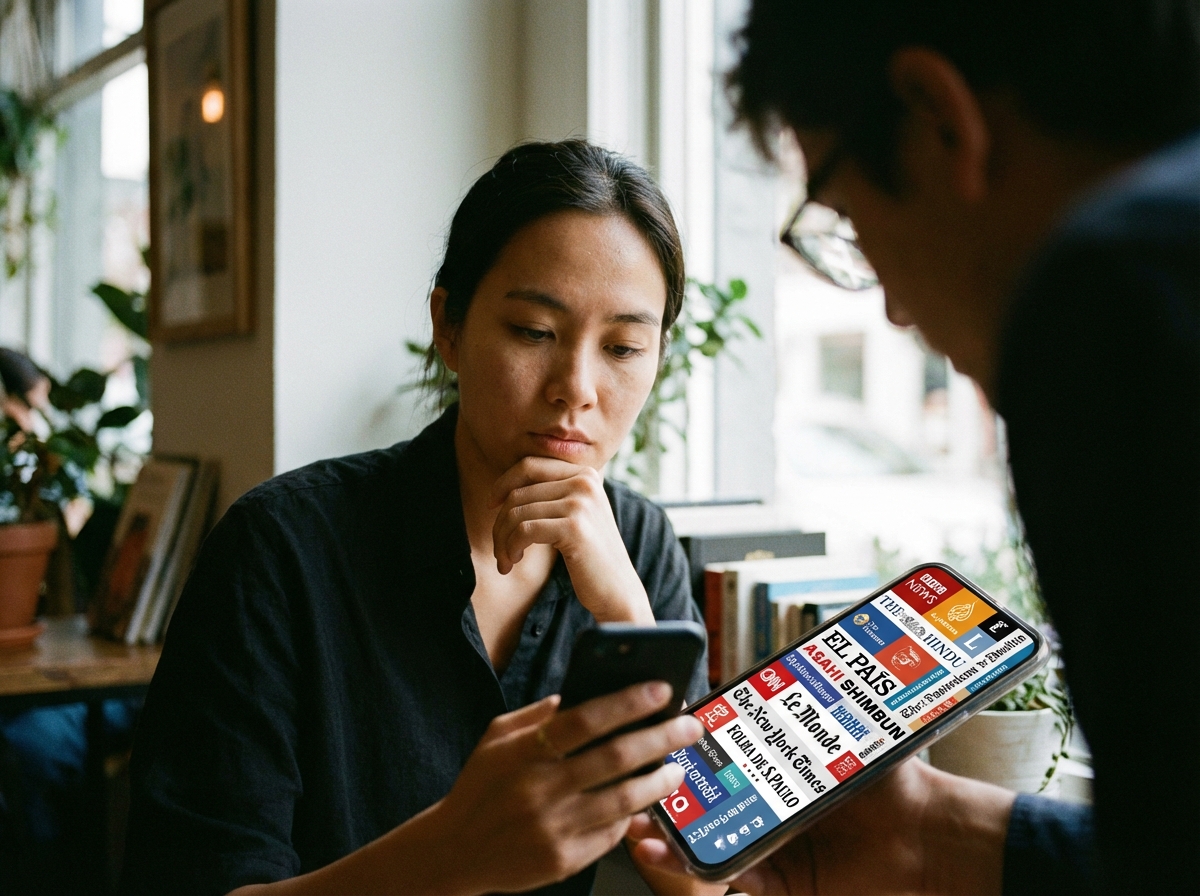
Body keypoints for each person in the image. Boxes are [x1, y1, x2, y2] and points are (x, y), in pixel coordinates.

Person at [630, 2, 1199, 894]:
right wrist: (933, 834)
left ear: (936, 117)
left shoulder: (1116, 300)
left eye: (846, 217)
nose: (893, 308)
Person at [120, 141, 717, 896]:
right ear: (449, 325)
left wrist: (632, 618)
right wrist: (452, 855)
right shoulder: (279, 551)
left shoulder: (640, 545)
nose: (576, 388)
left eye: (625, 346)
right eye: (534, 332)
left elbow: (695, 870)